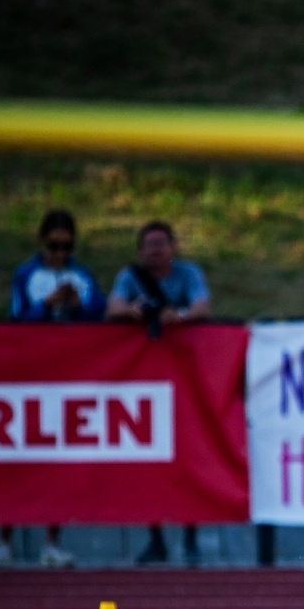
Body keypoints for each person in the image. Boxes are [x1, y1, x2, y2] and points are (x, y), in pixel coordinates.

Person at [0, 208, 105, 568]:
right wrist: (45, 306)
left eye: (67, 247)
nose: (60, 254)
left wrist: (78, 305)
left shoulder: (82, 276)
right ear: (42, 242)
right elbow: (15, 319)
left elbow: (100, 315)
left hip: (69, 374)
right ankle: (3, 539)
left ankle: (53, 541)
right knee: (17, 456)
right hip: (30, 374)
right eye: (54, 246)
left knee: (60, 459)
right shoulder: (27, 275)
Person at [107, 220, 213, 566]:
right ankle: (155, 539)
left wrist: (177, 317)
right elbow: (112, 308)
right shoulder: (130, 277)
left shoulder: (188, 274)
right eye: (149, 245)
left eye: (161, 243)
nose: (155, 250)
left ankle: (191, 538)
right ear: (140, 251)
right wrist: (133, 312)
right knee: (147, 460)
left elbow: (201, 307)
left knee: (191, 457)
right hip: (145, 384)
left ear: (173, 247)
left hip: (186, 381)